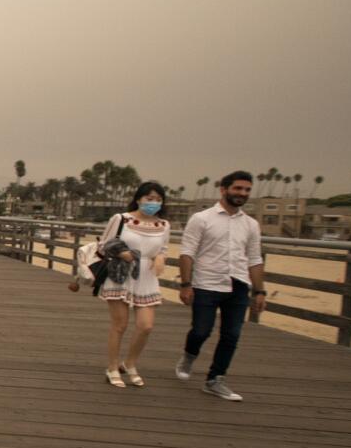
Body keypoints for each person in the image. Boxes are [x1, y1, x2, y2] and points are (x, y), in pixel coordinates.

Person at [176, 171, 266, 400]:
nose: (242, 194)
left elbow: (254, 259)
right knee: (200, 331)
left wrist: (259, 291)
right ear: (224, 190)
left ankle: (215, 379)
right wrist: (186, 284)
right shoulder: (202, 219)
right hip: (207, 283)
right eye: (238, 188)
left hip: (238, 285)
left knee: (231, 335)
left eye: (246, 190)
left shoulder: (251, 224)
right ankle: (189, 355)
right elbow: (187, 252)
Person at [94, 183, 170, 388]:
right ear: (138, 199)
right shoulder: (121, 219)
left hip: (147, 276)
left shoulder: (163, 225)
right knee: (120, 325)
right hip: (121, 274)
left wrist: (161, 257)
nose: (153, 203)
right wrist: (121, 253)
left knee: (146, 326)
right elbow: (103, 245)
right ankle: (112, 367)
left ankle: (129, 363)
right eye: (149, 198)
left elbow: (163, 248)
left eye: (157, 199)